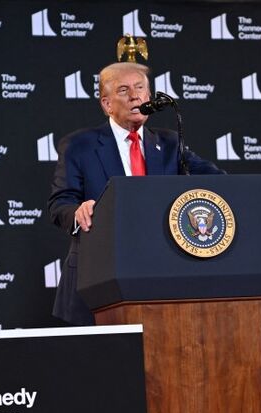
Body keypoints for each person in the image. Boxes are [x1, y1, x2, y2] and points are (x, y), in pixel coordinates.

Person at [46, 61, 224, 325]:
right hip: (98, 277)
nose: (135, 96)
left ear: (149, 97)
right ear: (107, 104)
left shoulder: (169, 143)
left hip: (159, 273)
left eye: (140, 88)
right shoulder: (79, 145)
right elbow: (60, 203)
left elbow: (216, 180)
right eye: (123, 90)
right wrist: (78, 212)